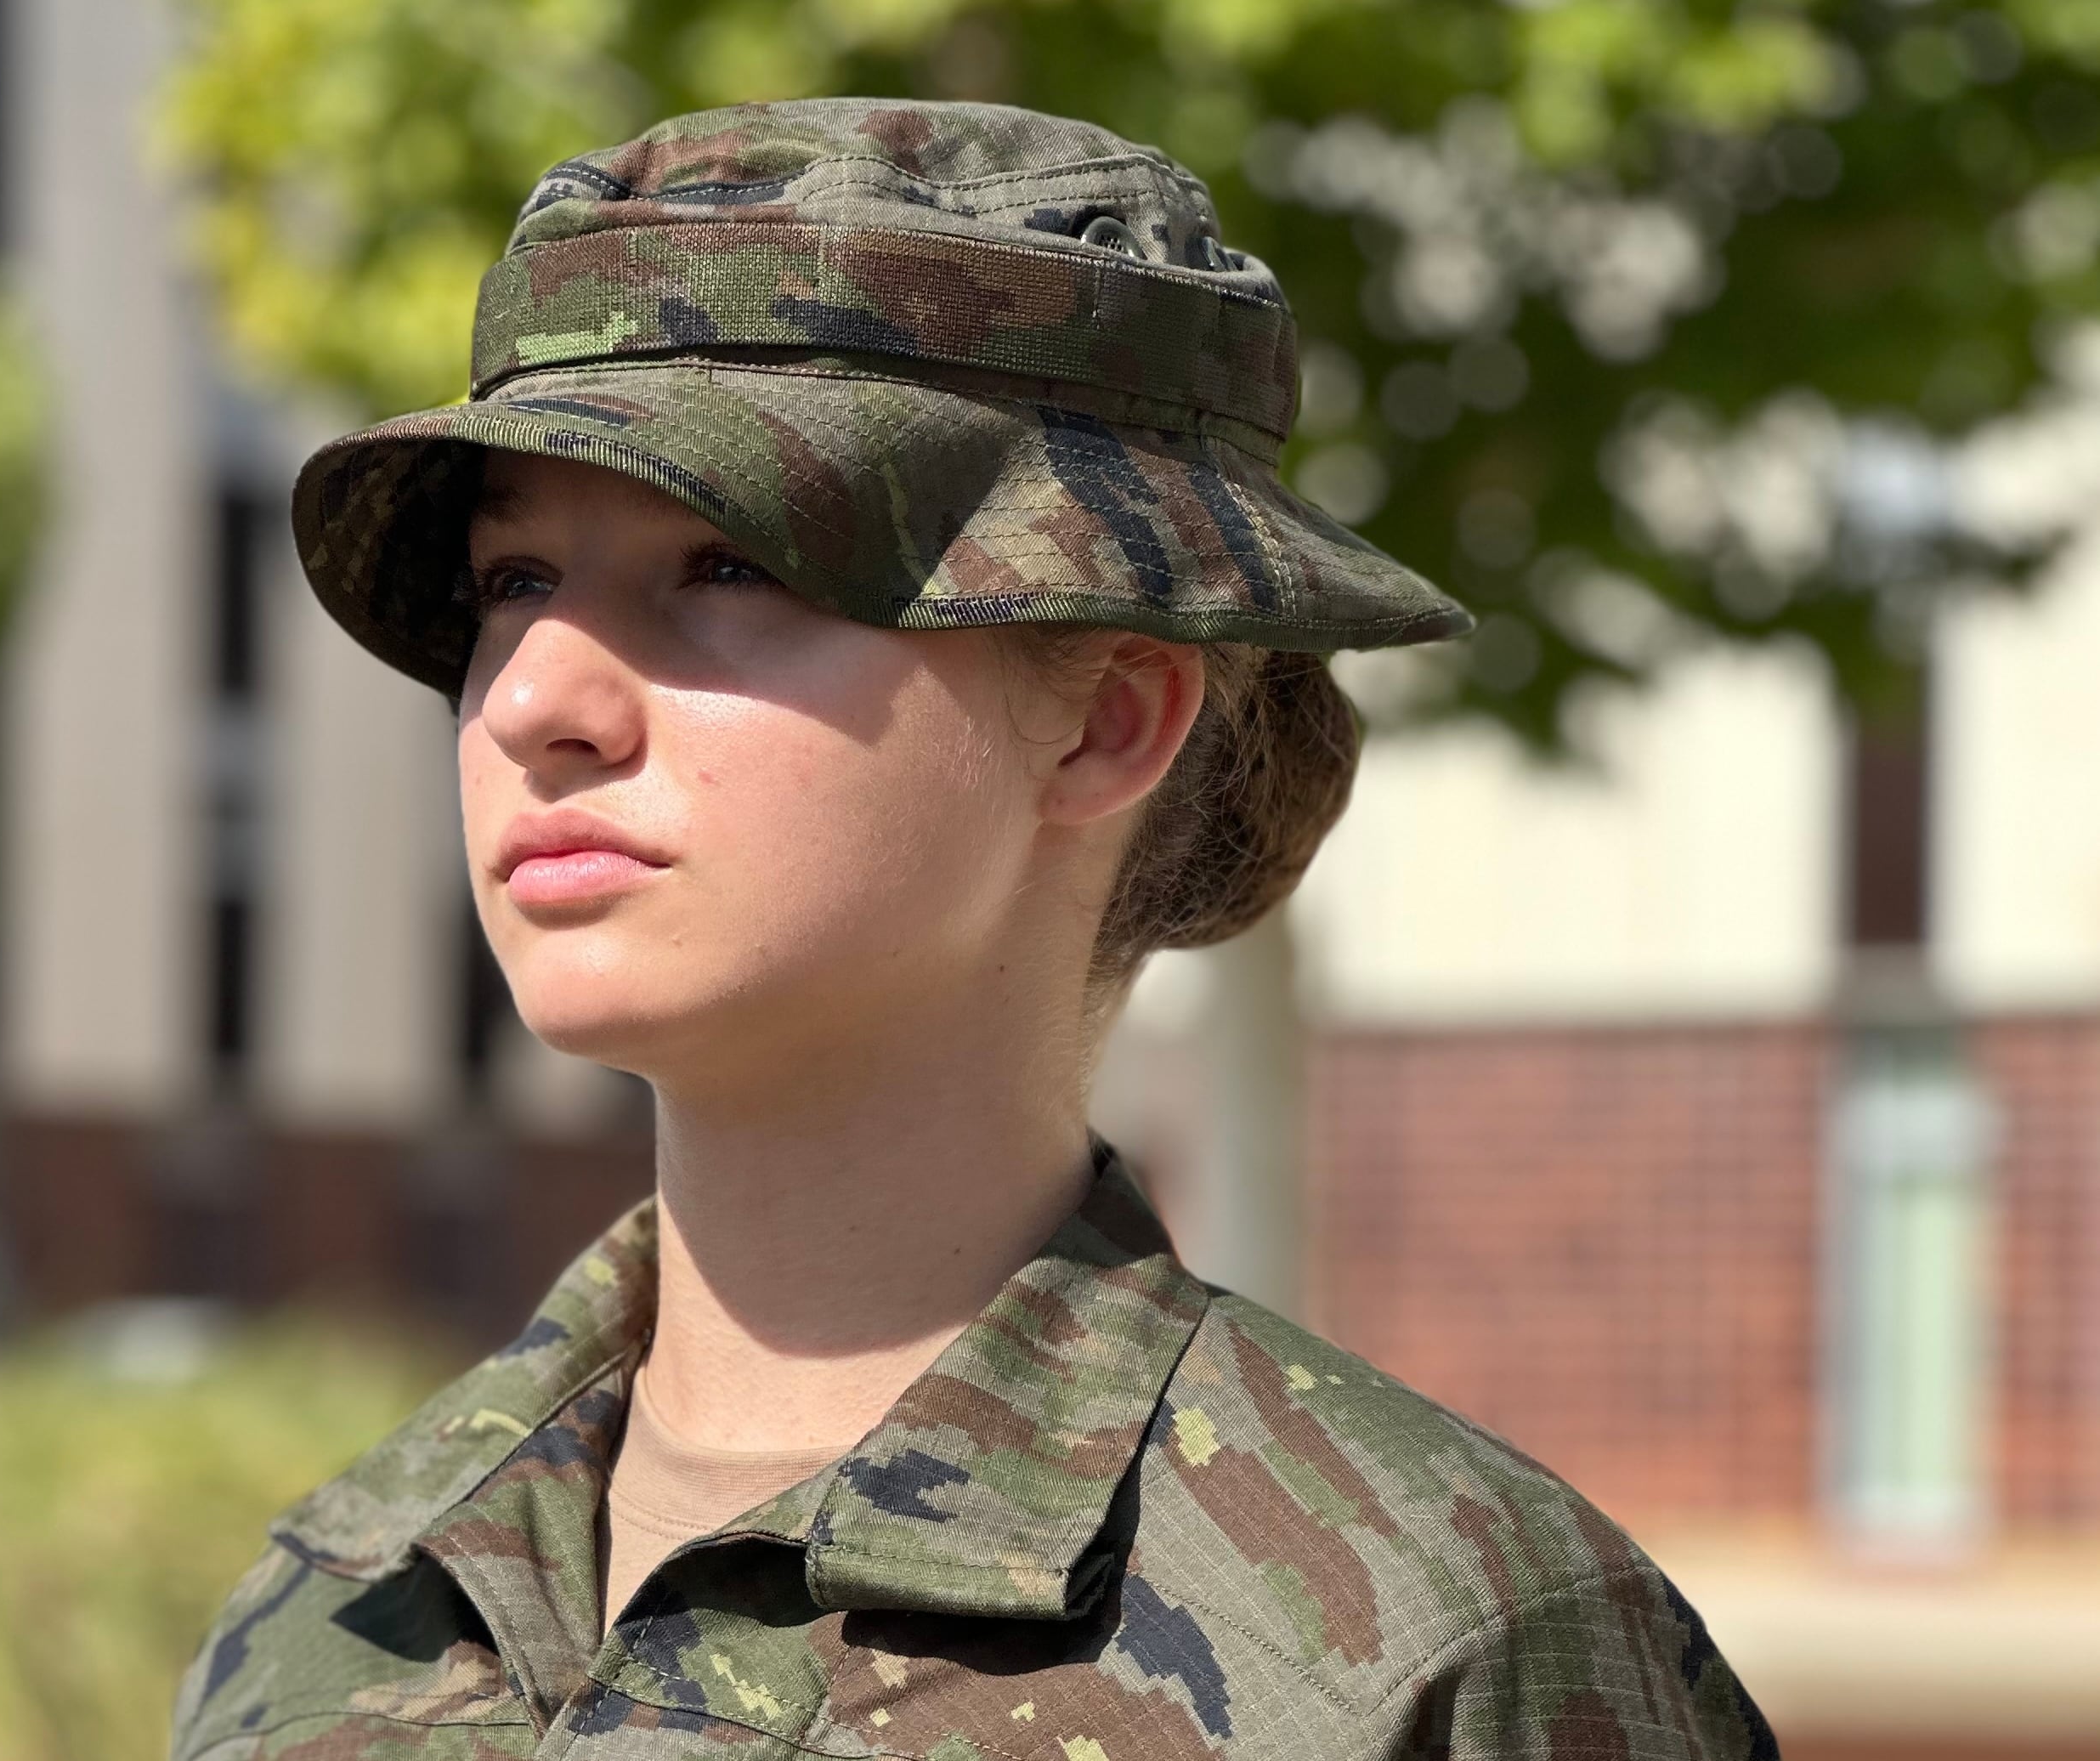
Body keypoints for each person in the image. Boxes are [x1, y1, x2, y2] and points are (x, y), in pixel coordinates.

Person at [169, 99, 1776, 1761]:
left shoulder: (1433, 1649)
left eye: (725, 562)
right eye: (511, 582)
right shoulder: (334, 1599)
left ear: (1102, 723)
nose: (537, 700)